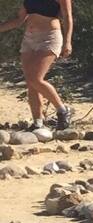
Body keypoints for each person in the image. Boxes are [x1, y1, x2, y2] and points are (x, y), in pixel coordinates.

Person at [0, 0, 73, 130]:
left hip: (49, 37)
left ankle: (63, 110)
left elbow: (67, 17)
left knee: (36, 79)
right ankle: (38, 122)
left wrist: (67, 41)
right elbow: (19, 20)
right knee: (31, 82)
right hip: (29, 38)